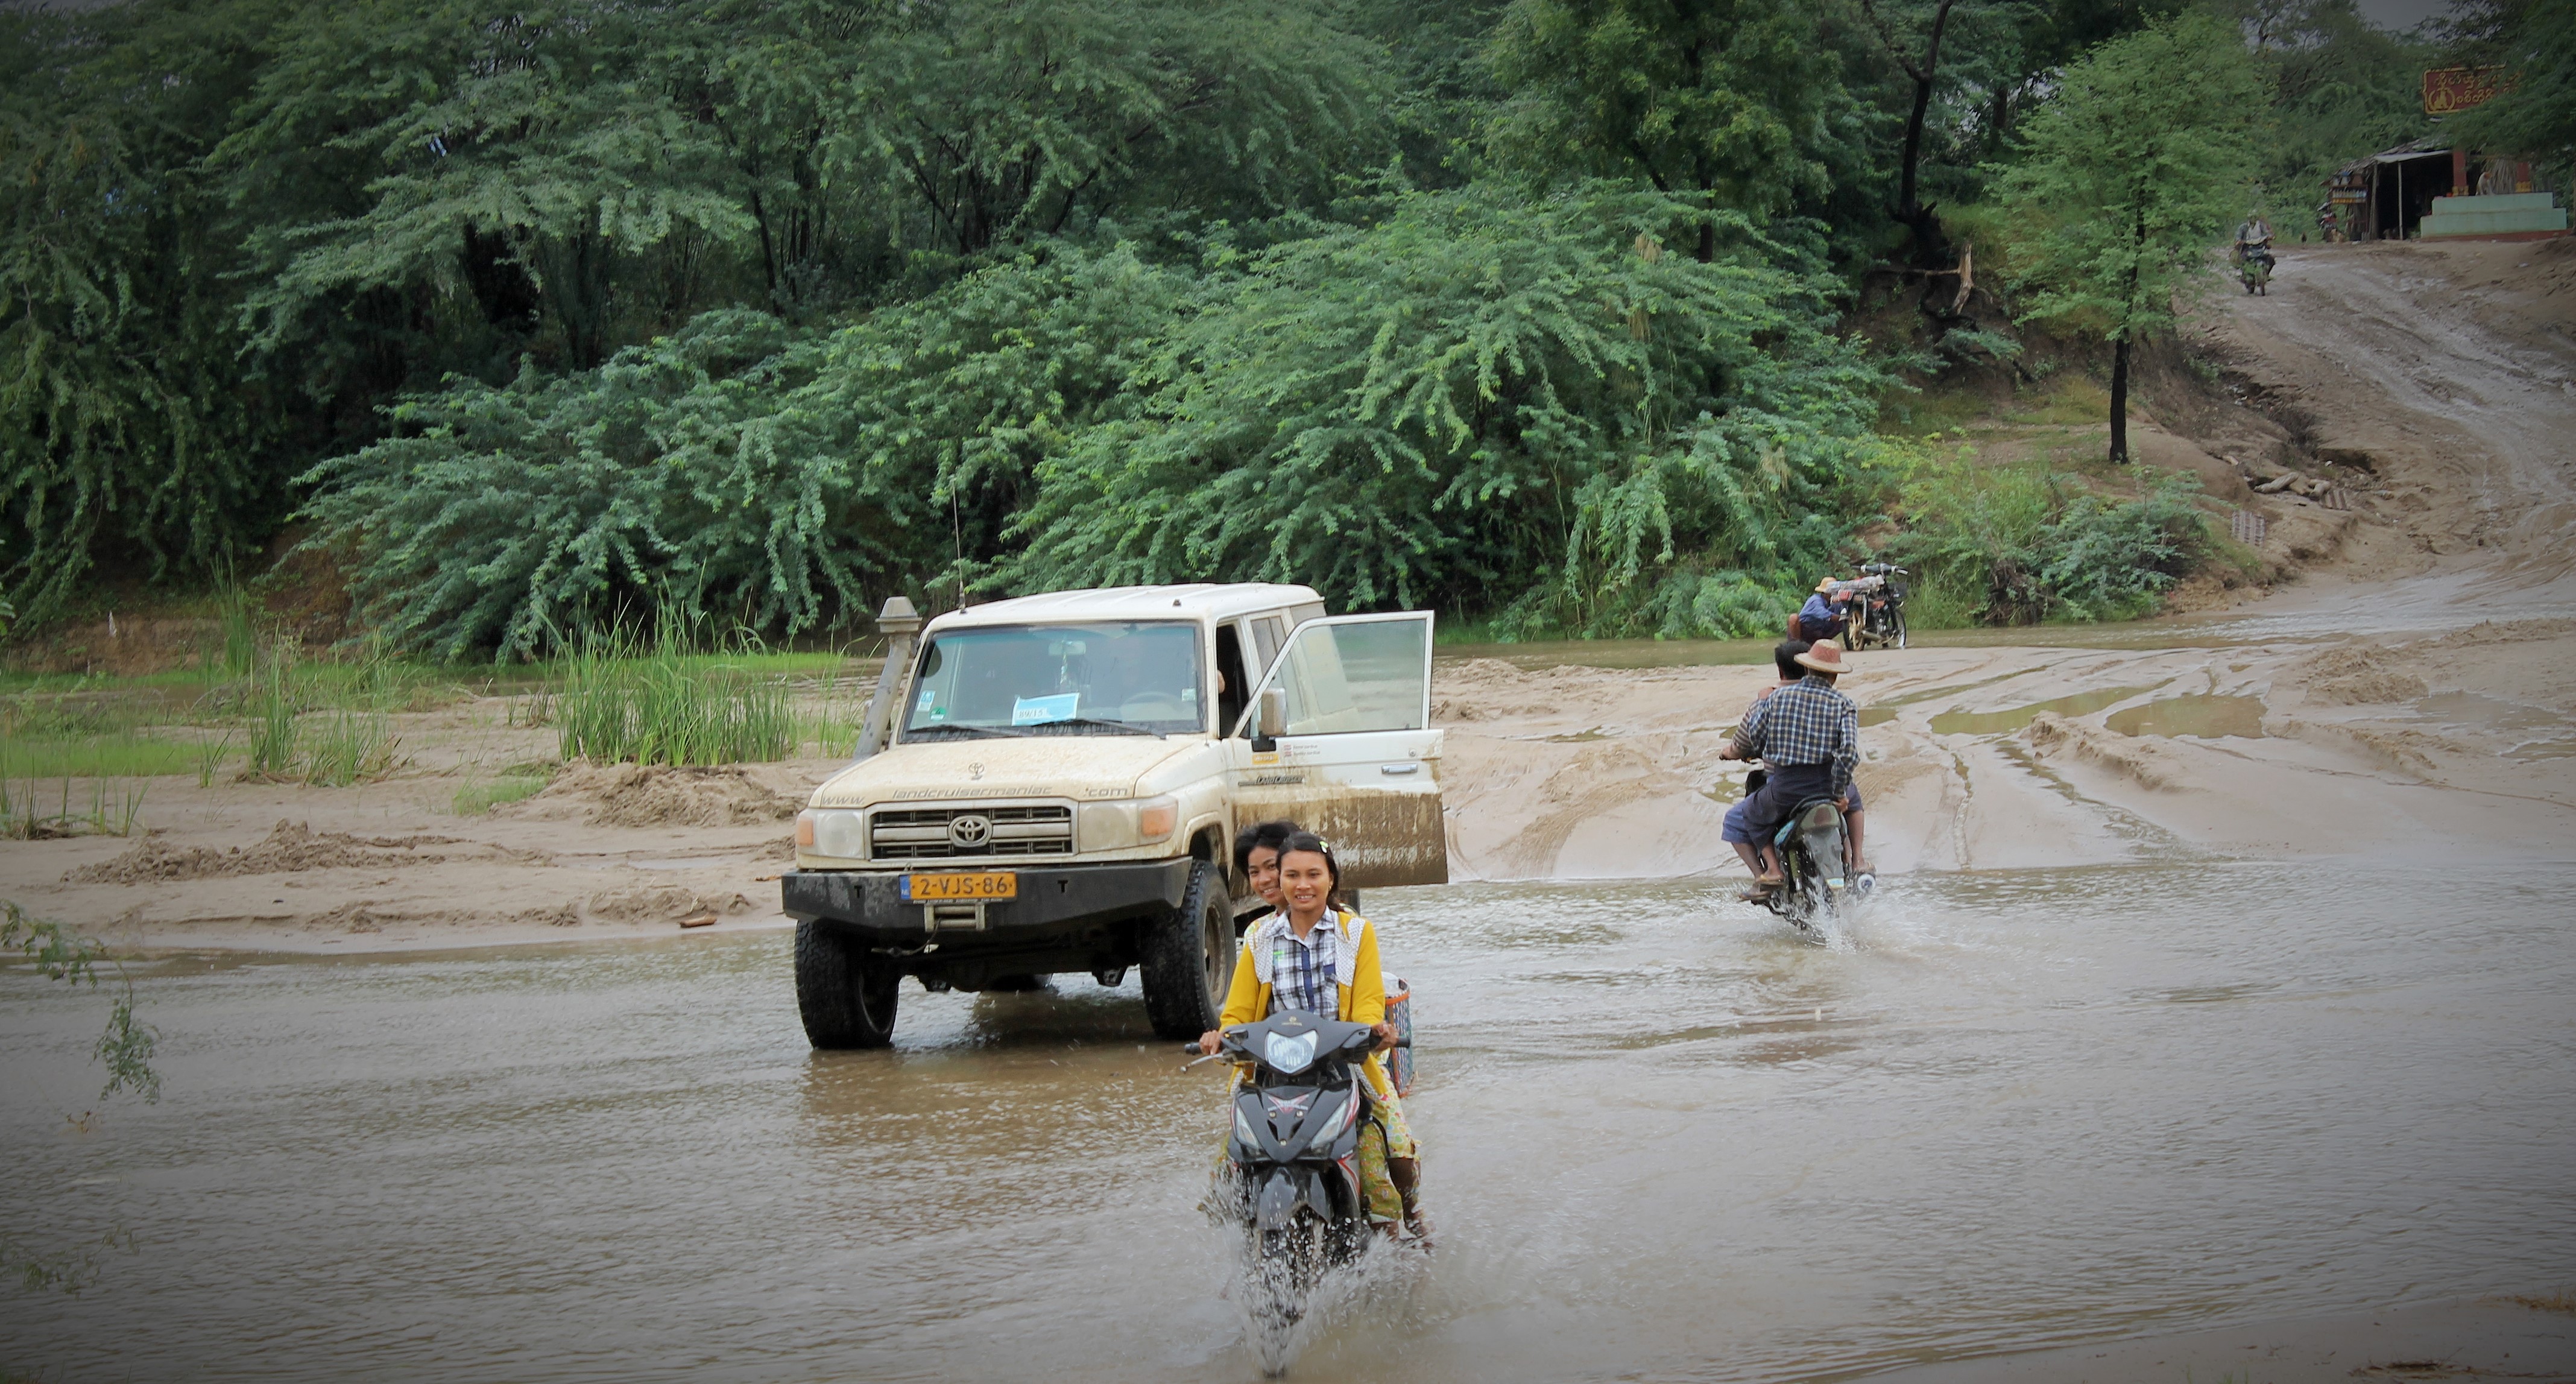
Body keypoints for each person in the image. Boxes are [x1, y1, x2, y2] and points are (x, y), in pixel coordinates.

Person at [1199, 832, 1429, 1244]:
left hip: (1345, 1066)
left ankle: (1411, 1215)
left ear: (1330, 879)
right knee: (1230, 1158)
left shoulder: (1356, 933)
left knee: (1393, 1144)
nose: (1302, 884)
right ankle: (1243, 1247)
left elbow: (1367, 1008)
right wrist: (1221, 1037)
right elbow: (1237, 1013)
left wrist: (1373, 1033)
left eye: (1313, 874)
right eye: (1292, 875)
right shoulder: (1258, 937)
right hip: (1274, 1070)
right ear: (1281, 881)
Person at [1720, 640, 1869, 894]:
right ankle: (1858, 861)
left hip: (1787, 790)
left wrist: (1761, 704)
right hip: (1827, 787)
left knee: (1749, 816)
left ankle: (1772, 871)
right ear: (1834, 675)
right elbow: (1849, 753)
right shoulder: (1843, 704)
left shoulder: (1777, 698)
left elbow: (1754, 737)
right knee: (1855, 806)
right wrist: (1840, 792)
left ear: (1808, 668)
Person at [1231, 818, 1299, 916]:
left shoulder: (1327, 925)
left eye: (1272, 866)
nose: (1263, 880)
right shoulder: (1258, 930)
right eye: (1254, 872)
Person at [1790, 578, 1850, 643]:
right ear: (1826, 592)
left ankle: (1821, 643)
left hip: (1820, 630)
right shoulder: (1816, 600)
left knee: (1840, 621)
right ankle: (1796, 643)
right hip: (1806, 629)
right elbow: (1823, 613)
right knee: (1794, 618)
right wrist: (1842, 618)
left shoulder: (1832, 602)